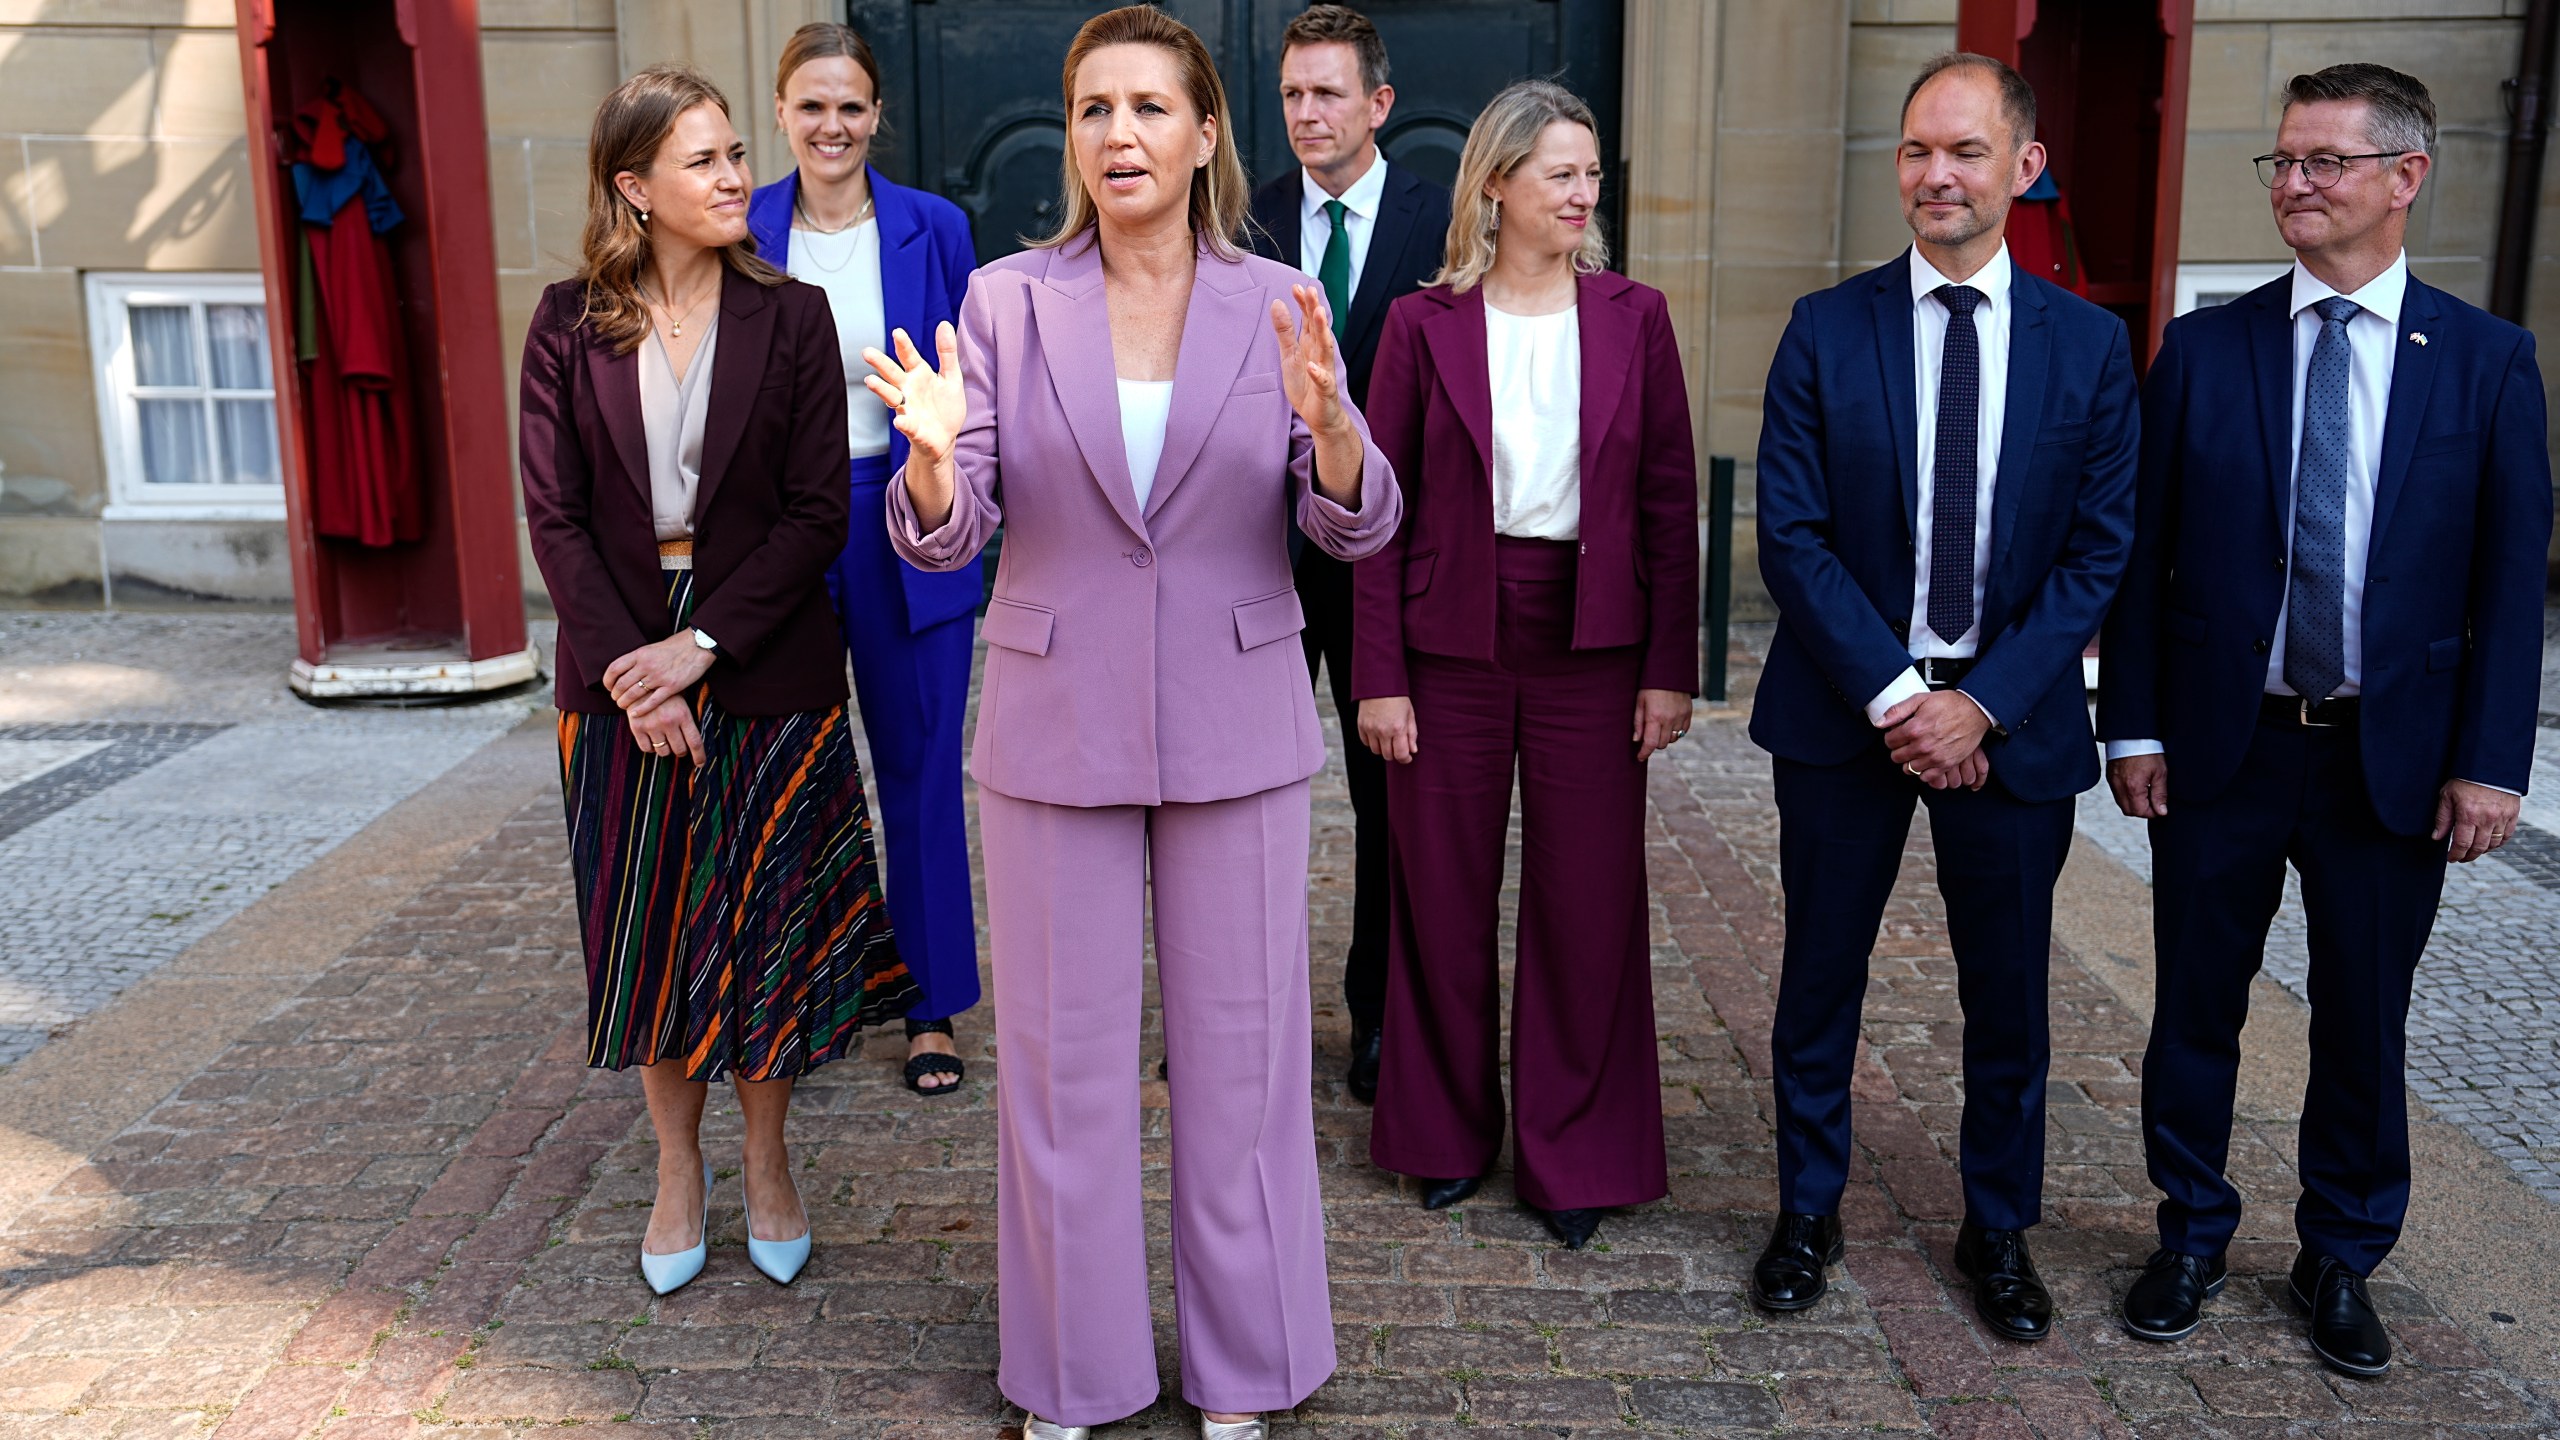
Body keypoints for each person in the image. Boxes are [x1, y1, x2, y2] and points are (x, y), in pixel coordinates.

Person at [862, 8, 1399, 1435]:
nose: (1120, 135)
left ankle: (1250, 1368)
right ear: (1072, 135)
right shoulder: (1002, 302)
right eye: (1095, 108)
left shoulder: (1278, 298)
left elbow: (1357, 520)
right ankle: (1072, 1374)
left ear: (1207, 132)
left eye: (1151, 108)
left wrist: (1334, 426)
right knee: (1059, 1072)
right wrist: (922, 468)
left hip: (1237, 718)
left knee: (1247, 1062)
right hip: (1053, 722)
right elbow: (951, 530)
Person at [2098, 64, 2550, 1376]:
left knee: (2363, 1017)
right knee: (2195, 1007)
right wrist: (2131, 729)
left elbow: (2508, 586)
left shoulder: (2485, 363)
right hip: (2223, 749)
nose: (2295, 186)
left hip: (2387, 764)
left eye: (2325, 164)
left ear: (2405, 177)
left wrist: (2487, 761)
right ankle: (2189, 1233)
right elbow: (2143, 562)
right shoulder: (2209, 350)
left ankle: (2342, 1253)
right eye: (2284, 163)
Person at [1748, 53, 2138, 1338]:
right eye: (1917, 150)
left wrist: (1982, 705)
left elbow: (2099, 550)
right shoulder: (1826, 327)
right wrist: (1901, 697)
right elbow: (1792, 535)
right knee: (1818, 981)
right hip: (1847, 711)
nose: (1935, 174)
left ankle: (2000, 1228)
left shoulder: (2087, 348)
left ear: (2023, 168)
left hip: (2010, 723)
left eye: (1965, 151)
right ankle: (1807, 1208)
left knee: (2008, 996)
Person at [517, 65, 914, 1297]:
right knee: (651, 930)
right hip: (618, 664)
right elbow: (556, 515)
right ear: (635, 188)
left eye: (738, 153)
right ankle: (677, 1170)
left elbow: (812, 520)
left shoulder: (792, 317)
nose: (738, 176)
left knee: (767, 932)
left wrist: (701, 650)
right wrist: (643, 676)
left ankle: (771, 1159)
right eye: (704, 161)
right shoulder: (564, 322)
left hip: (764, 657)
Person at [1353, 80, 1698, 1251]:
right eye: (1560, 172)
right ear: (1496, 183)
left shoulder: (1634, 316)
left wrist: (1668, 667)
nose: (1582, 193)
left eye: (1590, 173)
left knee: (1586, 905)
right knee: (1438, 897)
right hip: (1448, 636)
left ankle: (1577, 1155)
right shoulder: (1419, 324)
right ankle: (1443, 1139)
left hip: (1593, 640)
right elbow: (1376, 512)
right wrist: (1378, 674)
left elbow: (1665, 499)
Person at [746, 23, 983, 1096]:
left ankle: (929, 1003)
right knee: (783, 769)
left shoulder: (933, 228)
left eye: (850, 106)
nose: (831, 125)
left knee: (922, 764)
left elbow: (968, 391)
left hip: (906, 510)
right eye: (811, 106)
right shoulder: (741, 226)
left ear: (876, 113)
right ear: (782, 111)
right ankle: (796, 991)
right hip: (780, 526)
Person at [1246, 3, 1450, 1107]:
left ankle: (1378, 1018)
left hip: (1387, 555)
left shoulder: (1441, 220)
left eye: (1328, 93)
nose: (1307, 114)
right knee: (1241, 800)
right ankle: (1236, 1013)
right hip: (1255, 553)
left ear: (1377, 103)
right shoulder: (1241, 218)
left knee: (1386, 801)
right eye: (1290, 95)